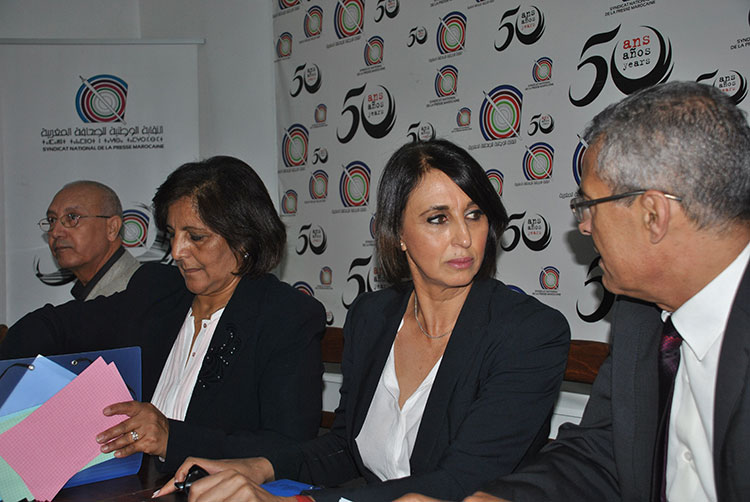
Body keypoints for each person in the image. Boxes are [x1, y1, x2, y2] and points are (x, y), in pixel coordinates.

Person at [156, 139, 571, 502]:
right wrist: (258, 466)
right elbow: (344, 448)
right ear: (398, 234)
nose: (464, 237)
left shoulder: (530, 333)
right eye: (438, 218)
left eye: (475, 214)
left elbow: (461, 481)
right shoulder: (373, 317)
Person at [400, 81, 750, 502]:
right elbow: (601, 454)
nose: (583, 226)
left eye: (588, 206)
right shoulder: (639, 316)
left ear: (653, 215)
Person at [2, 156, 326, 471]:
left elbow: (289, 448)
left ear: (244, 240)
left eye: (196, 237)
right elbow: (52, 327)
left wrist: (171, 439)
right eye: (173, 235)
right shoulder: (157, 290)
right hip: (129, 483)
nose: (177, 251)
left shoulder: (286, 316)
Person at [40, 180, 140, 300]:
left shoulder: (136, 294)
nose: (55, 232)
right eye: (52, 220)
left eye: (72, 217)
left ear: (112, 228)